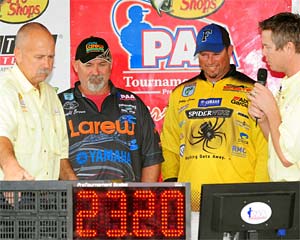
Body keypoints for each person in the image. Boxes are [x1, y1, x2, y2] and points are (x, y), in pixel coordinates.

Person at [161, 23, 269, 212]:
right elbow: (169, 145)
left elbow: (264, 149)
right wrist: (173, 186)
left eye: (216, 53)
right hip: (192, 202)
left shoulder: (253, 90)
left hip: (239, 199)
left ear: (230, 51)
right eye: (204, 55)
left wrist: (258, 193)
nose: (210, 61)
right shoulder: (180, 93)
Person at [58, 36, 163, 182]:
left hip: (127, 200)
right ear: (75, 66)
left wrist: (143, 200)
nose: (96, 72)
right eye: (88, 65)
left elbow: (152, 157)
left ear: (111, 65)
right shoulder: (58, 104)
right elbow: (52, 155)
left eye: (102, 64)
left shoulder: (133, 103)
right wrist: (76, 192)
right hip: (76, 200)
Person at [0, 22, 77, 181]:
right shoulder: (5, 89)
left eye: (51, 57)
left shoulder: (51, 94)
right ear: (18, 54)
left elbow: (61, 157)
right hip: (11, 197)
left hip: (48, 199)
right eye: (39, 57)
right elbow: (2, 137)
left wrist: (77, 192)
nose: (47, 64)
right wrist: (10, 167)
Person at [248, 12, 300, 181]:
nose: (263, 53)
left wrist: (271, 110)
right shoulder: (287, 84)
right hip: (284, 190)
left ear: (289, 48)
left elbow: (286, 157)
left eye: (267, 47)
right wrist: (263, 118)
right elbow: (277, 143)